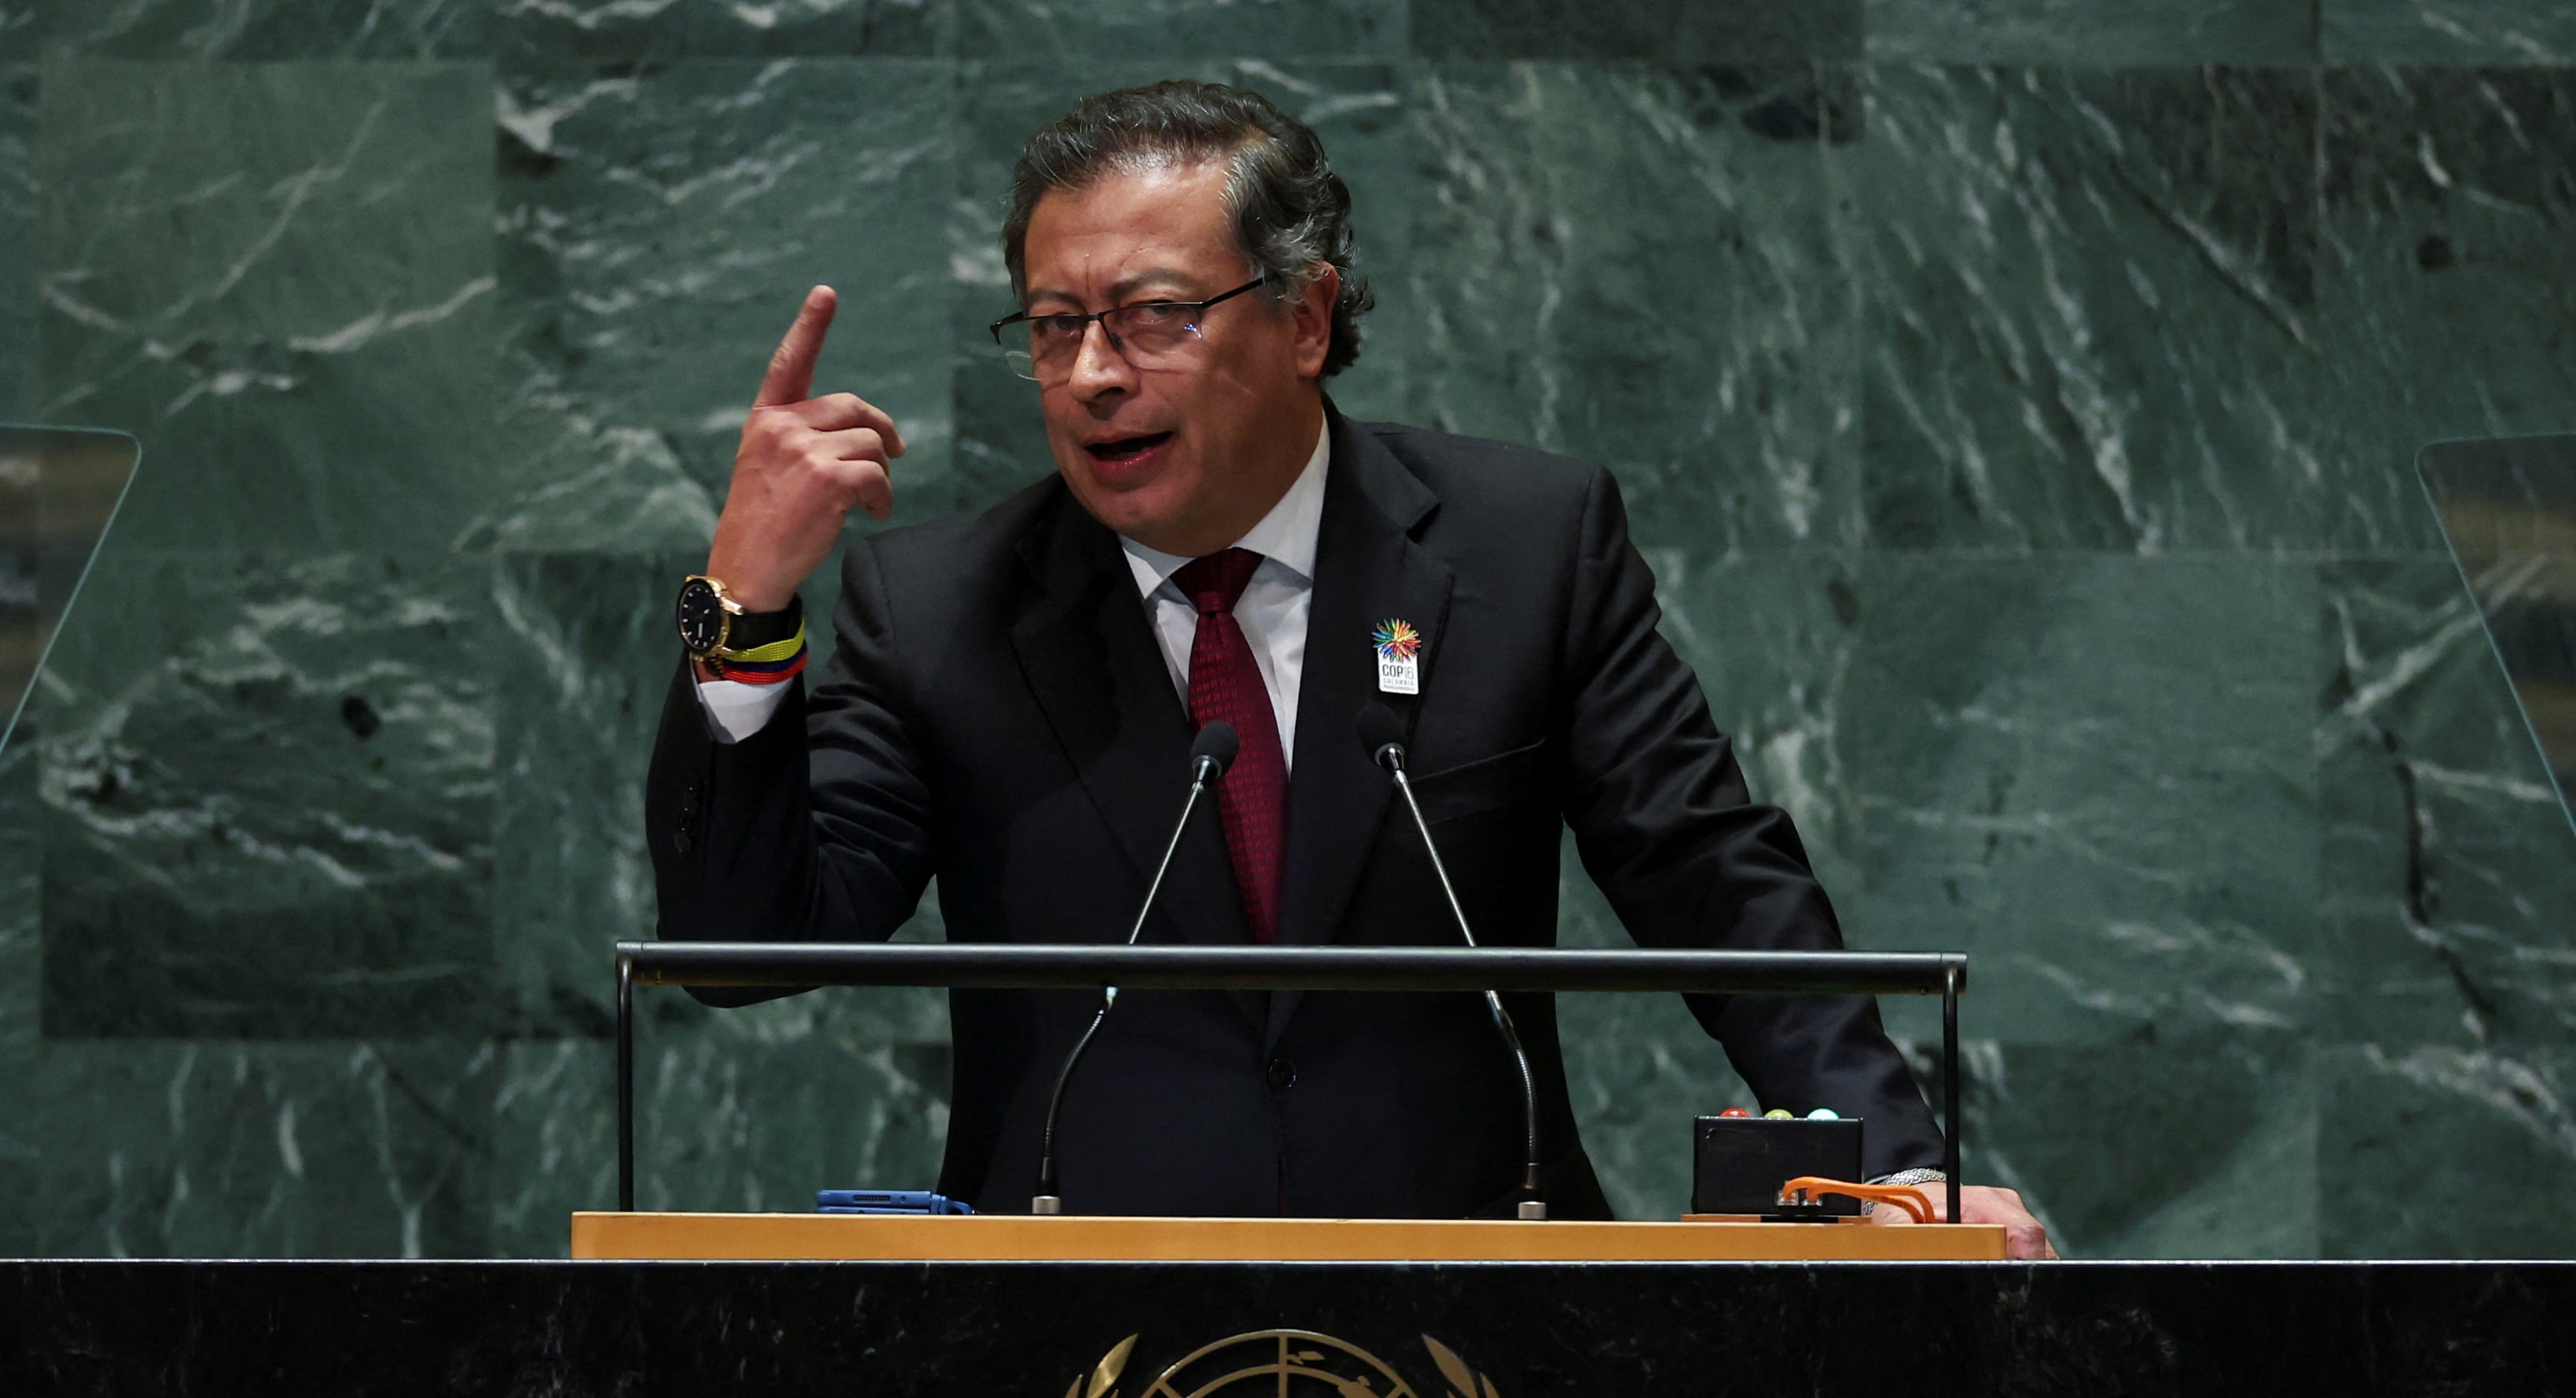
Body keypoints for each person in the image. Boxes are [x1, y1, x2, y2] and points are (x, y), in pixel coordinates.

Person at [645, 80, 2052, 1256]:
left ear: (1306, 318)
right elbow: (739, 951)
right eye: (1055, 324)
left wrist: (1901, 1175)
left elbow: (1713, 881)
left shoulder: (1522, 548)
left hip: (1483, 1320)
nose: (1090, 375)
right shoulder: (941, 606)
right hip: (1077, 1348)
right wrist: (744, 603)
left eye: (1151, 314)